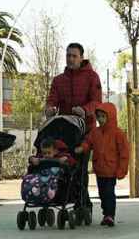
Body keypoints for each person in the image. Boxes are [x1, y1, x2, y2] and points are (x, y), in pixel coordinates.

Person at [47, 42, 102, 207]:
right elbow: (52, 99)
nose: (70, 59)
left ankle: (82, 202)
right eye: (68, 55)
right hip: (63, 132)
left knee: (80, 168)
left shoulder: (92, 77)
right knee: (62, 165)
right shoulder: (58, 80)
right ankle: (62, 197)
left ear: (81, 58)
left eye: (74, 56)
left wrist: (84, 110)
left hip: (85, 131)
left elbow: (97, 102)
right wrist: (49, 109)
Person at [76, 103, 129, 227]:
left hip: (111, 171)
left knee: (109, 193)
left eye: (103, 117)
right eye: (98, 117)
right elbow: (88, 142)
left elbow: (124, 153)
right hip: (100, 170)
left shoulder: (118, 134)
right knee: (102, 194)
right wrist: (82, 148)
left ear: (110, 117)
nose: (100, 119)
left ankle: (110, 215)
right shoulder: (95, 132)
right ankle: (106, 213)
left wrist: (122, 170)